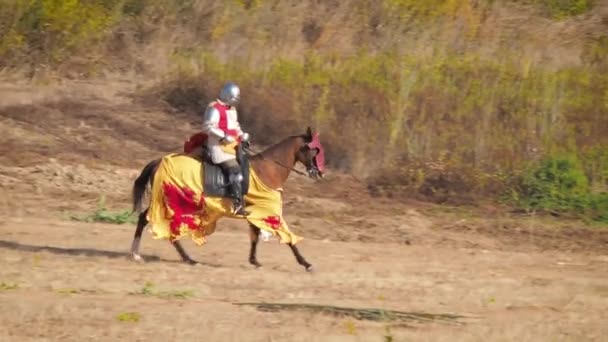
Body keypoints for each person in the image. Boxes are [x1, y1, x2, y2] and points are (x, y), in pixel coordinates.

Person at [201, 82, 250, 216]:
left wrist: (242, 135)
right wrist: (223, 136)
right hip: (217, 147)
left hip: (231, 146)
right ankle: (237, 204)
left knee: (247, 165)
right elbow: (207, 127)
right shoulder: (214, 108)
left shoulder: (232, 110)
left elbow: (236, 126)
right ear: (229, 96)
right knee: (236, 171)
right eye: (235, 97)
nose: (236, 101)